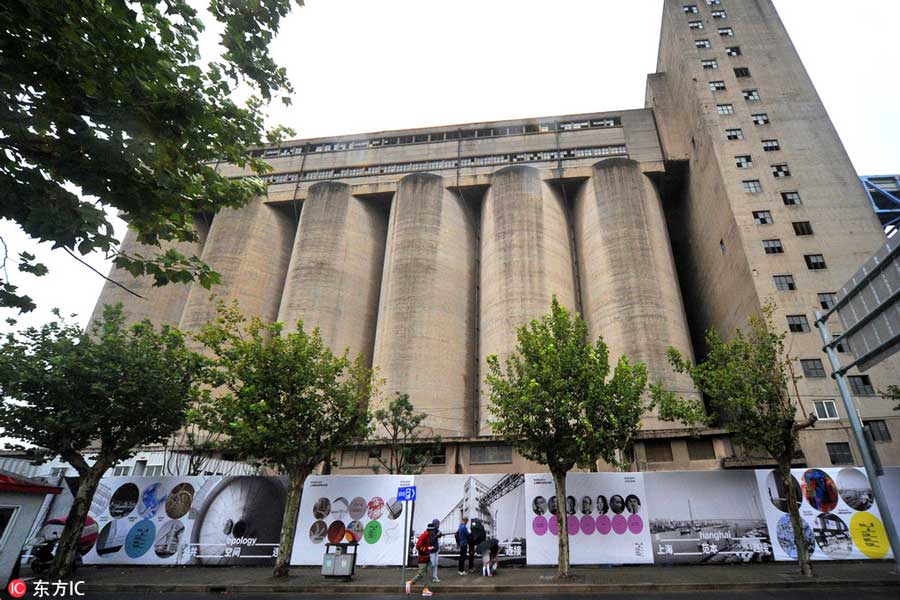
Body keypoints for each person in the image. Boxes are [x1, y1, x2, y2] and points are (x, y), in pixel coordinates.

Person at [407, 524, 436, 597]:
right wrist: (427, 549)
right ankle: (411, 583)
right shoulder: (424, 536)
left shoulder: (427, 536)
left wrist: (428, 548)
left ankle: (424, 589)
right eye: (432, 531)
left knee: (426, 572)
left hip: (426, 558)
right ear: (430, 530)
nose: (433, 532)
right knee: (422, 574)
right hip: (422, 558)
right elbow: (418, 546)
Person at [429, 518, 442, 583]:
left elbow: (440, 535)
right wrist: (436, 536)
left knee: (435, 564)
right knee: (432, 563)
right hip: (432, 550)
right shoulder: (431, 532)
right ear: (435, 524)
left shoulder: (436, 530)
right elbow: (431, 541)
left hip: (436, 549)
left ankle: (435, 576)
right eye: (438, 524)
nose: (439, 525)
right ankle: (424, 573)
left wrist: (439, 534)